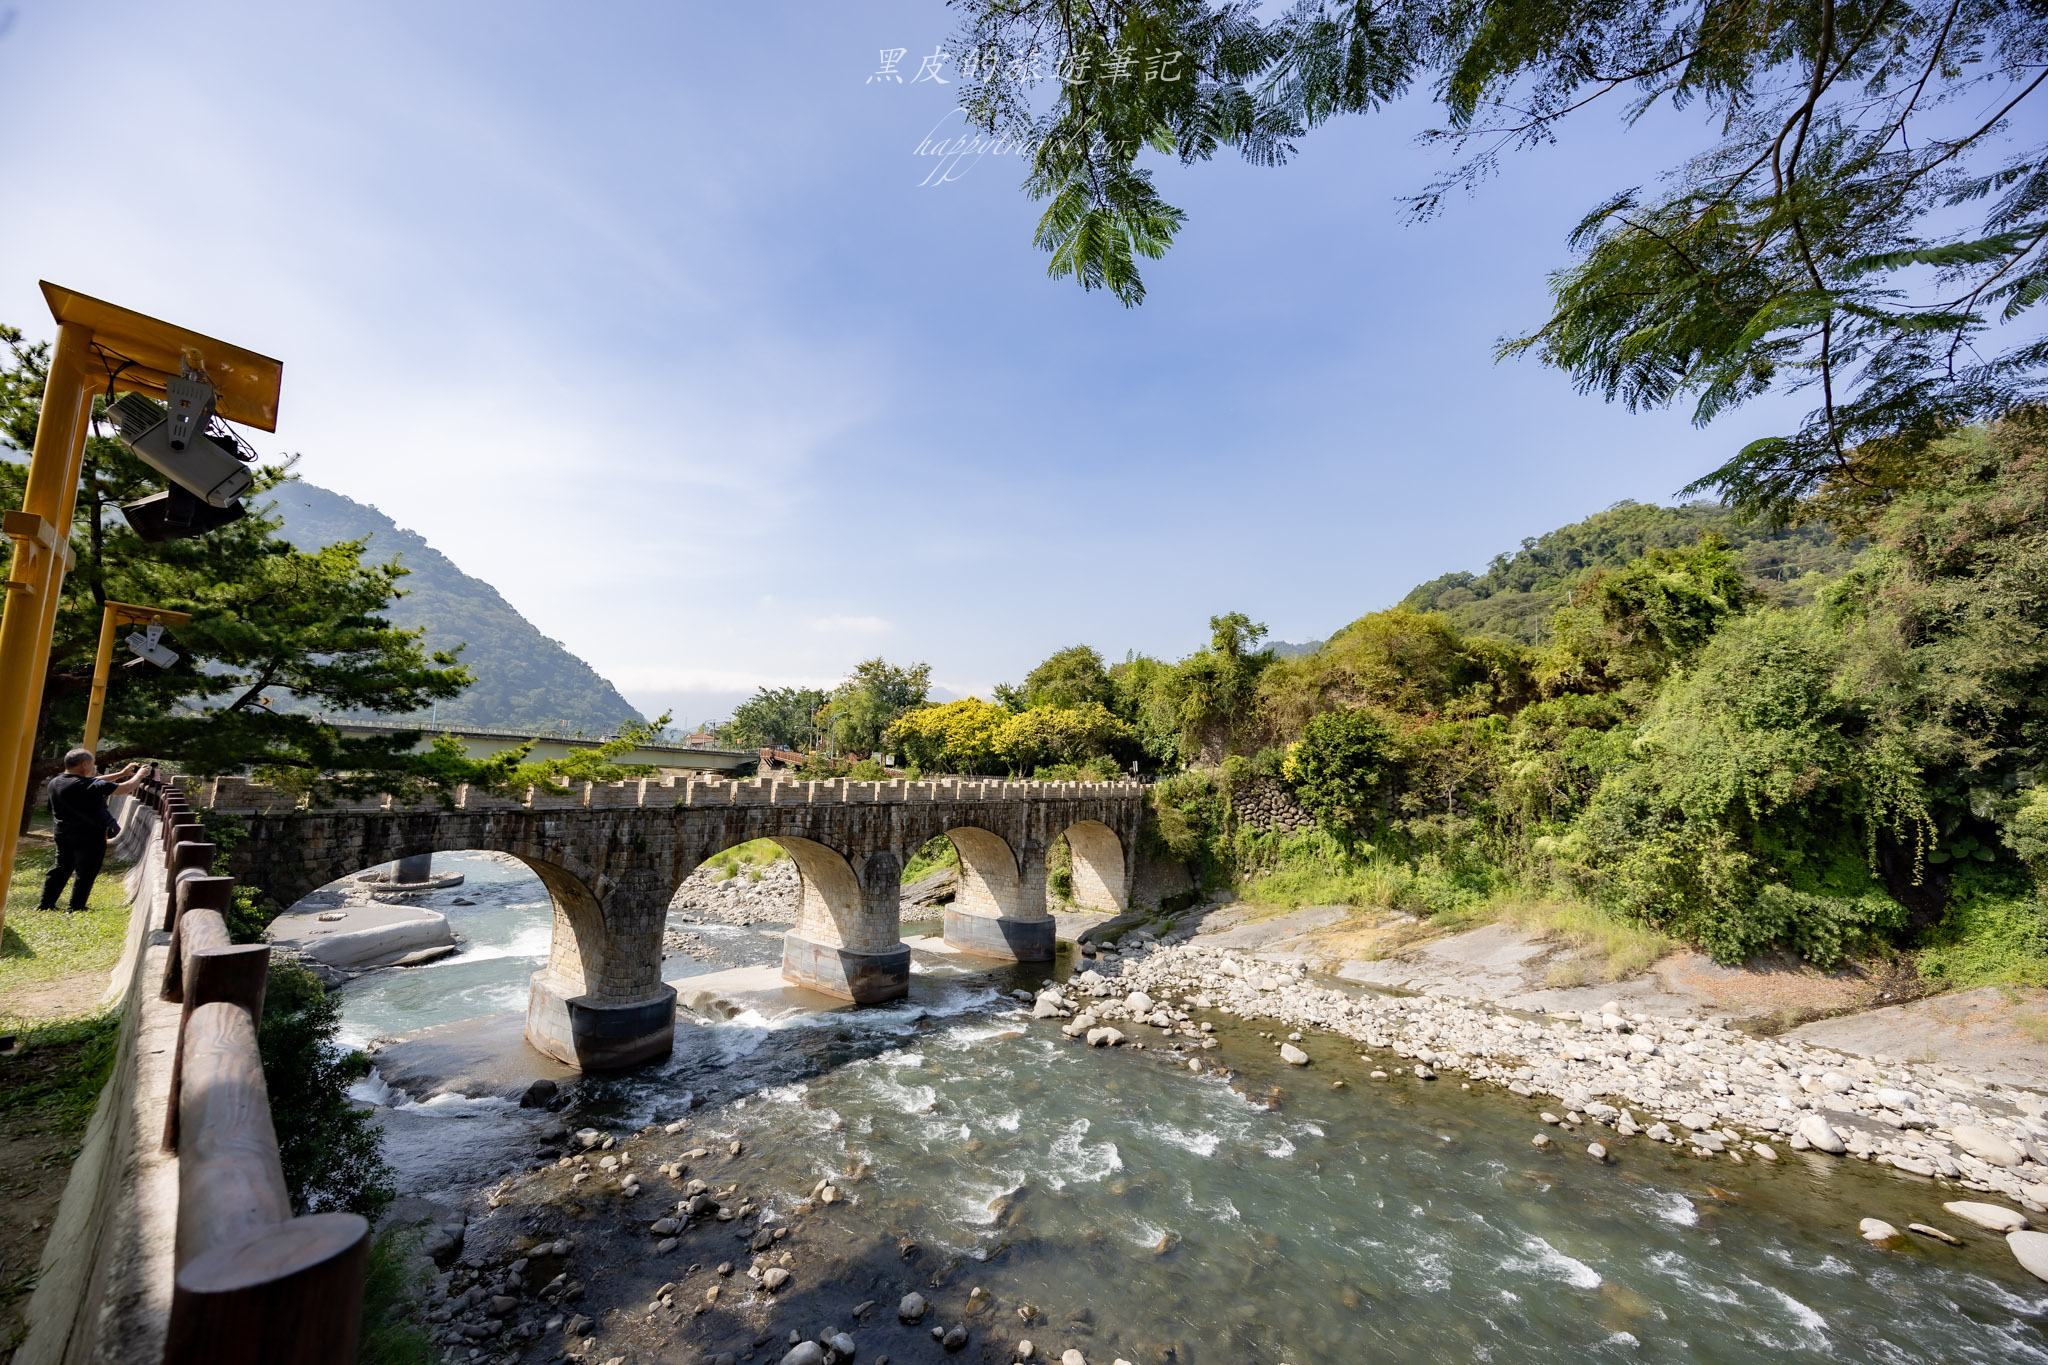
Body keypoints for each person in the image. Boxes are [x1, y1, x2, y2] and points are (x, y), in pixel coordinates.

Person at [38, 748, 147, 913]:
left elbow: (95, 781)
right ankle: (76, 906)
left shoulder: (57, 781)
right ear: (84, 764)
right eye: (92, 763)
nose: (93, 766)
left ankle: (46, 904)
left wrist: (121, 773)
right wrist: (140, 775)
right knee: (86, 871)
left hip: (63, 833)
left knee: (61, 868)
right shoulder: (86, 785)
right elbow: (126, 788)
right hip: (89, 836)